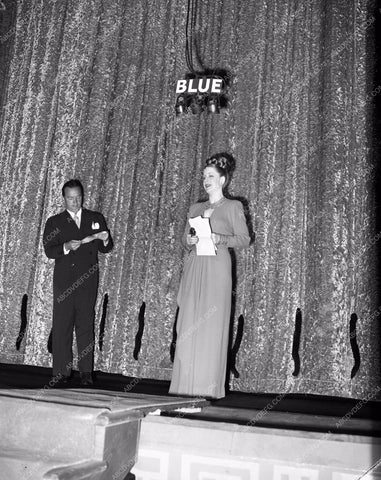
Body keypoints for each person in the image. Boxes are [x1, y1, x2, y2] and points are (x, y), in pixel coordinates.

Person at [169, 154, 250, 399]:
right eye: (204, 176)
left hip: (217, 267)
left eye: (211, 176)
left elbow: (244, 239)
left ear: (223, 180)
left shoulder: (233, 207)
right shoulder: (195, 208)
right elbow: (185, 240)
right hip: (195, 266)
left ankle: (208, 389)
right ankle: (184, 387)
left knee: (211, 325)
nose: (206, 180)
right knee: (188, 324)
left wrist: (220, 238)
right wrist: (190, 240)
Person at [43, 179, 113, 386]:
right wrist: (65, 246)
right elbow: (49, 250)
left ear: (83, 196)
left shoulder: (95, 218)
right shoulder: (54, 222)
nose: (75, 202)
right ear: (64, 198)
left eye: (78, 197)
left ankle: (86, 373)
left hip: (88, 278)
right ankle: (61, 372)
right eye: (70, 198)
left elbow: (105, 248)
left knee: (85, 324)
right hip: (64, 280)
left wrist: (106, 238)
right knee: (62, 324)